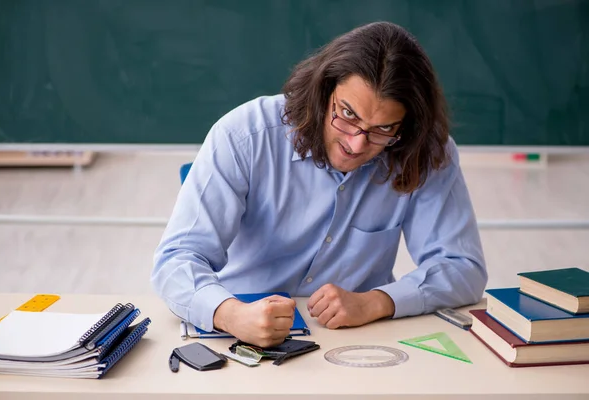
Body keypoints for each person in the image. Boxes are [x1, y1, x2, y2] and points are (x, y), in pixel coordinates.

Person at [152, 21, 487, 347]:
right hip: (240, 336)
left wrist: (375, 302)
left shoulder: (423, 150)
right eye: (348, 115)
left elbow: (462, 267)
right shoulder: (244, 136)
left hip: (360, 340)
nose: (357, 144)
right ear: (324, 89)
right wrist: (229, 314)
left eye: (383, 129)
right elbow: (177, 260)